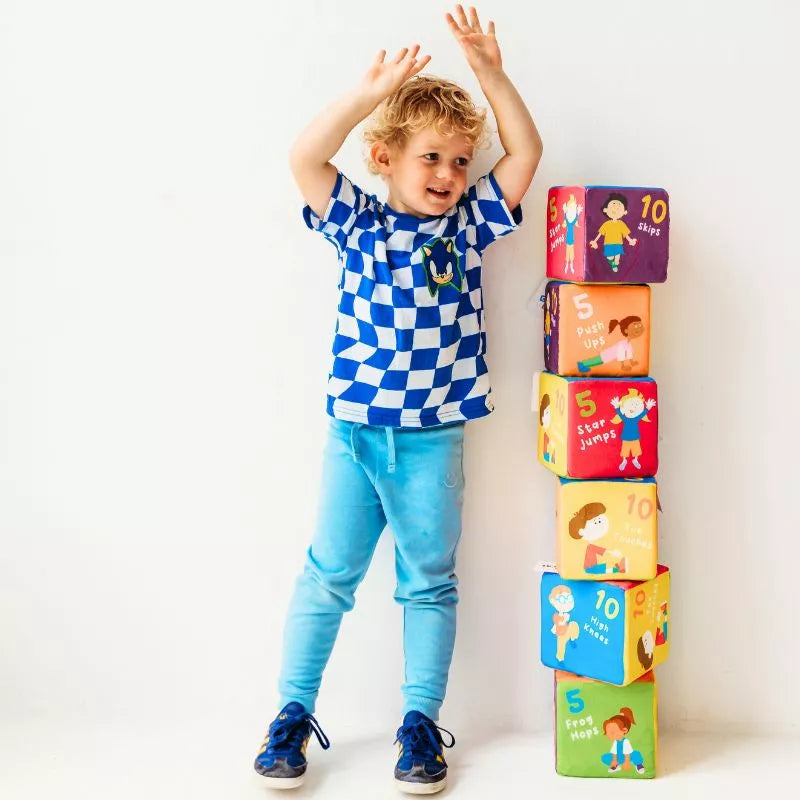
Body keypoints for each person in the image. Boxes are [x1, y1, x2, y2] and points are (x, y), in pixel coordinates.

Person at [254, 5, 542, 794]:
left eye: (458, 160)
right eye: (431, 159)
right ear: (385, 158)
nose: (448, 174)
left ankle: (419, 723)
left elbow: (526, 152)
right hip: (354, 436)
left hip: (431, 443)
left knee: (427, 581)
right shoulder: (358, 222)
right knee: (328, 576)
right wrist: (364, 96)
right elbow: (304, 157)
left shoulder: (470, 226)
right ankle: (290, 714)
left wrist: (490, 72)